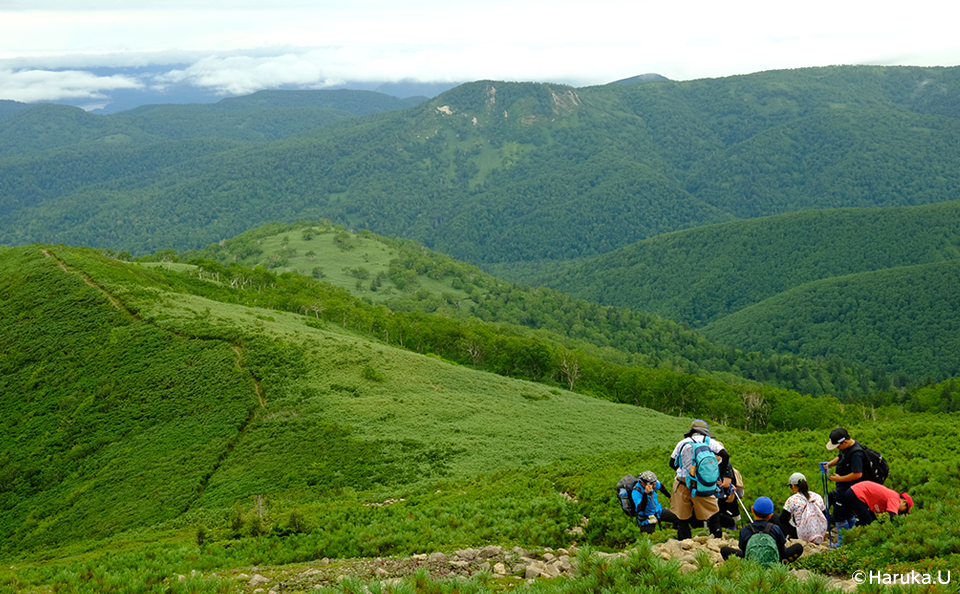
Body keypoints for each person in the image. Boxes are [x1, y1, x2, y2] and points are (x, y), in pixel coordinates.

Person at [669, 419, 730, 539]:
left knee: (682, 517)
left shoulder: (682, 443)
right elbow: (725, 455)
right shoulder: (709, 442)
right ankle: (716, 539)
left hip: (682, 483)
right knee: (713, 512)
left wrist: (684, 472)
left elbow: (671, 463)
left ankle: (685, 543)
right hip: (702, 483)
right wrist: (718, 473)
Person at [720, 496, 804, 564]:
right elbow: (782, 551)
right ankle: (779, 564)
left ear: (752, 510)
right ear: (771, 515)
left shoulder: (745, 530)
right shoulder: (775, 529)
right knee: (798, 547)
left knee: (724, 550)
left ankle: (745, 565)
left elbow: (743, 549)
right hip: (773, 560)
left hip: (751, 561)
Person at [822, 428, 866, 531]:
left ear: (845, 442)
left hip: (848, 488)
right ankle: (851, 533)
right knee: (849, 512)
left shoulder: (856, 454)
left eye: (838, 446)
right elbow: (840, 457)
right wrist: (830, 464)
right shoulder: (847, 447)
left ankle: (842, 540)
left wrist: (840, 479)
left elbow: (858, 474)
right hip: (844, 488)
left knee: (839, 514)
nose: (838, 448)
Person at [779, 472, 827, 543]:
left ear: (793, 486)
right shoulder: (817, 496)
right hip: (819, 532)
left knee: (775, 517)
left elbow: (783, 519)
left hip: (800, 534)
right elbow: (824, 514)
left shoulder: (792, 500)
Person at [844, 481, 913, 527]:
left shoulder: (893, 496)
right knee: (868, 524)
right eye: (904, 510)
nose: (900, 513)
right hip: (857, 494)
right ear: (904, 502)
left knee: (873, 522)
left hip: (856, 493)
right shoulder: (895, 499)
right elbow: (893, 518)